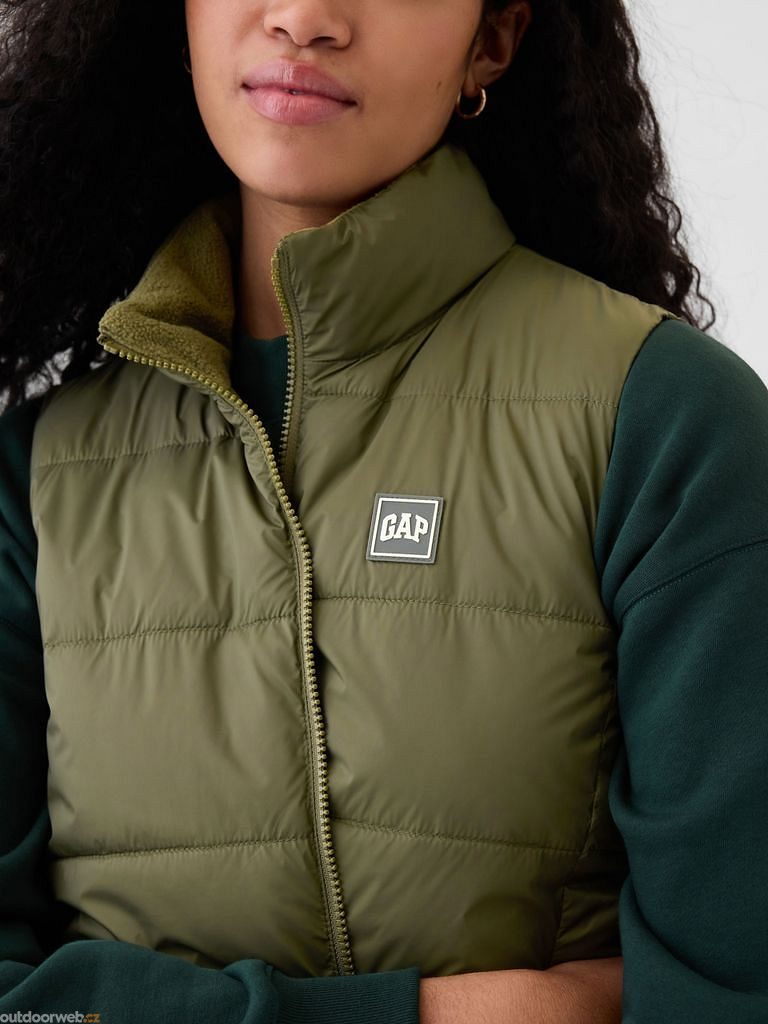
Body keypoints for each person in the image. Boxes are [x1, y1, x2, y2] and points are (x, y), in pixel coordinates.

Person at [0, 0, 766, 1020]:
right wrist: (448, 1014)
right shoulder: (34, 478)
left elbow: (728, 991)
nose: (304, 17)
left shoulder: (664, 423)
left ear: (491, 41)